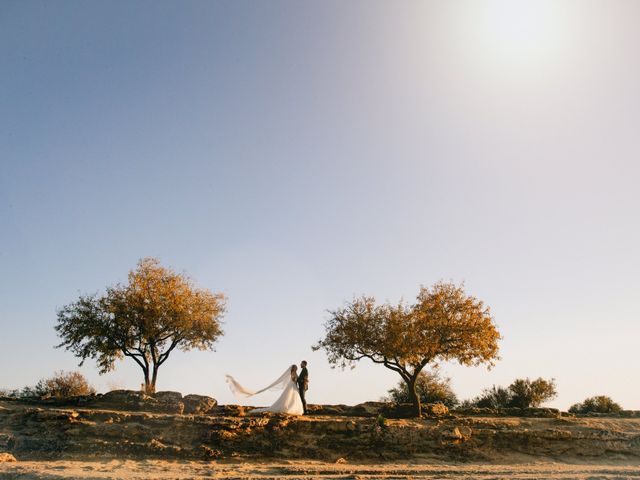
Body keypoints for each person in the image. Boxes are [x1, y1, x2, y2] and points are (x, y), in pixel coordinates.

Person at [225, 364, 304, 415]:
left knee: (291, 398)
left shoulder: (293, 372)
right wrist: (300, 380)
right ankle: (289, 408)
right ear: (294, 368)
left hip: (293, 386)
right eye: (296, 367)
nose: (297, 368)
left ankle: (291, 407)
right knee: (290, 398)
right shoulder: (293, 373)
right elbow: (294, 379)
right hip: (292, 385)